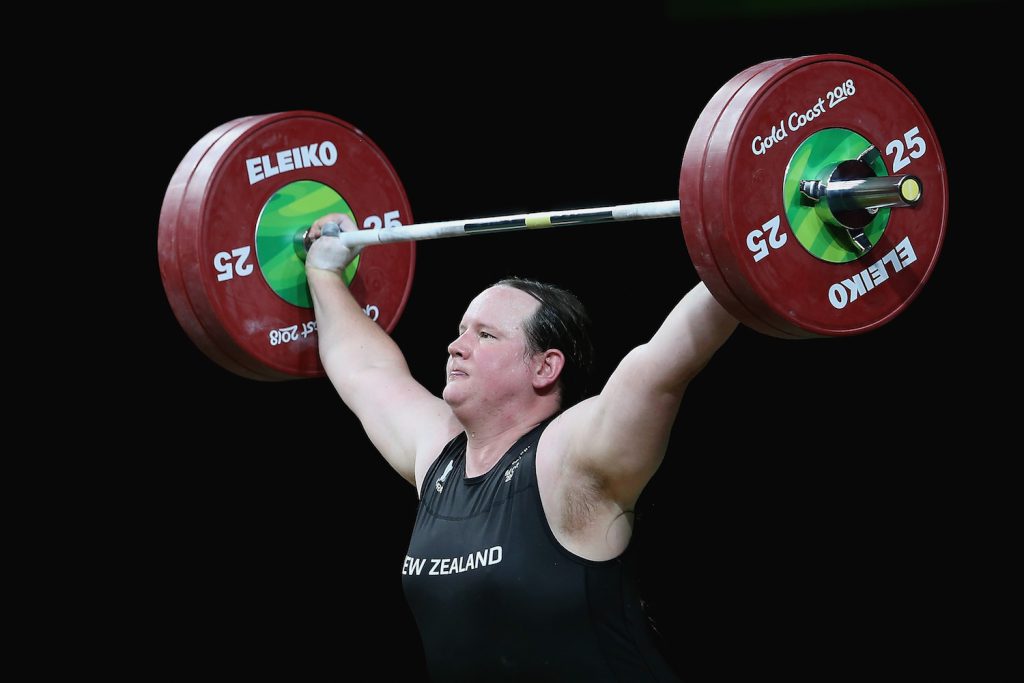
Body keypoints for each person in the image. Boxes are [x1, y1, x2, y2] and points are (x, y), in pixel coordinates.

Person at [305, 213, 738, 681]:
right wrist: (324, 271)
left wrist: (750, 244)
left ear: (545, 367)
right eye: (462, 329)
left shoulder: (569, 458)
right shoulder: (440, 455)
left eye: (485, 335)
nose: (455, 346)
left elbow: (664, 364)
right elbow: (364, 369)